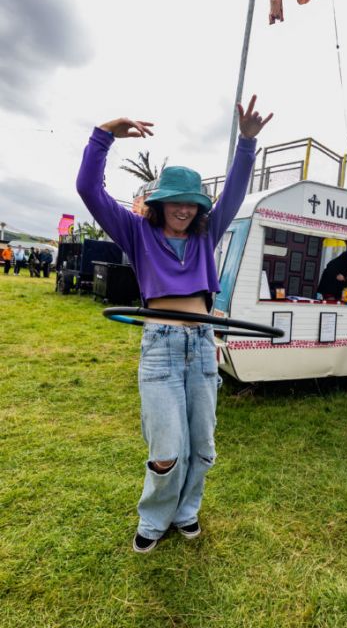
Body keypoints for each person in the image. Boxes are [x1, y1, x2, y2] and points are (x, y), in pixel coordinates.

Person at [76, 96, 273, 554]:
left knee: (202, 444)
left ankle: (187, 511)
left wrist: (247, 143)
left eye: (191, 203)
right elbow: (90, 190)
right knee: (167, 448)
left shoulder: (208, 232)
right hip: (162, 344)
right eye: (175, 203)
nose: (184, 210)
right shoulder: (136, 232)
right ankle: (155, 516)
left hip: (203, 344)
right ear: (160, 204)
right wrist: (103, 135)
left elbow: (236, 194)